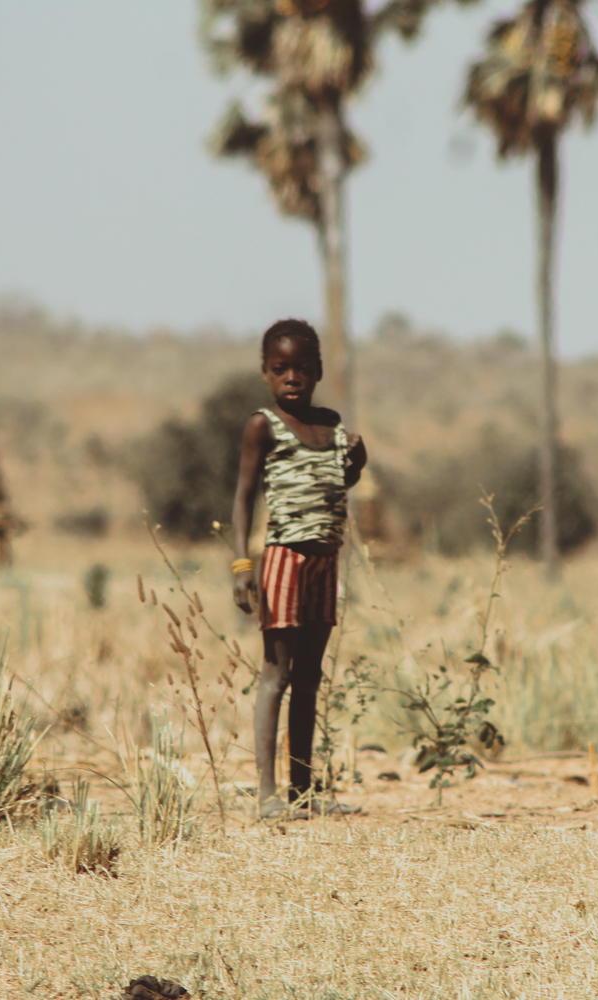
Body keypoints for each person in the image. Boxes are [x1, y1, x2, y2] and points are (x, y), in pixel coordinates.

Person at [231, 319, 368, 820]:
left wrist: (357, 462)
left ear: (319, 372)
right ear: (266, 373)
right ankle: (268, 793)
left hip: (325, 560)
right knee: (277, 673)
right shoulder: (262, 425)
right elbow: (244, 497)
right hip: (284, 558)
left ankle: (303, 790)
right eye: (281, 369)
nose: (293, 378)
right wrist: (242, 564)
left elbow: (333, 486)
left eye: (303, 369)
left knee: (310, 676)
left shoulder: (332, 427)